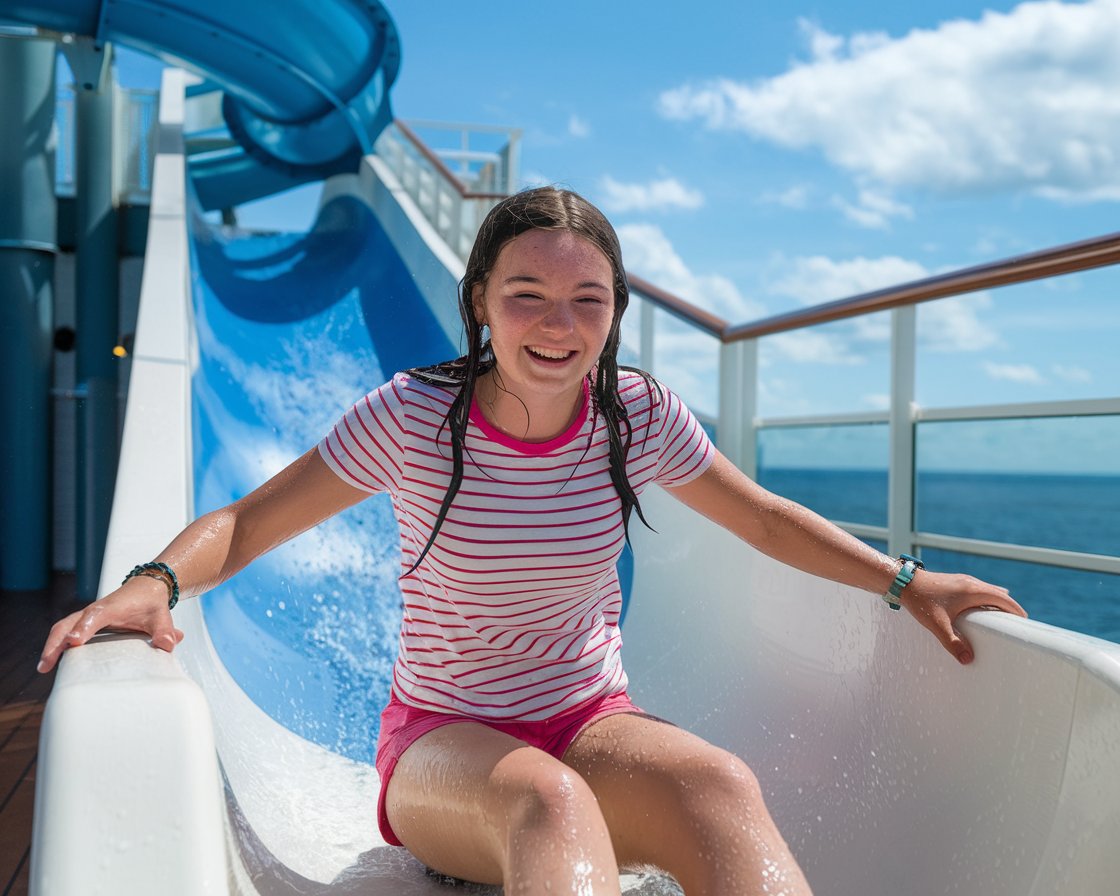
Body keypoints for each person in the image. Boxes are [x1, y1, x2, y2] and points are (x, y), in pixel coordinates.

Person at [38, 186, 1025, 896]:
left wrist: (907, 579)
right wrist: (157, 578)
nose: (558, 323)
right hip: (442, 753)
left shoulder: (635, 413)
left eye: (586, 299)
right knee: (548, 804)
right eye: (527, 293)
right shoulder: (416, 414)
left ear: (615, 313)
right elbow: (250, 520)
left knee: (719, 783)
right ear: (479, 301)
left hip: (591, 719)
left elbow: (761, 515)